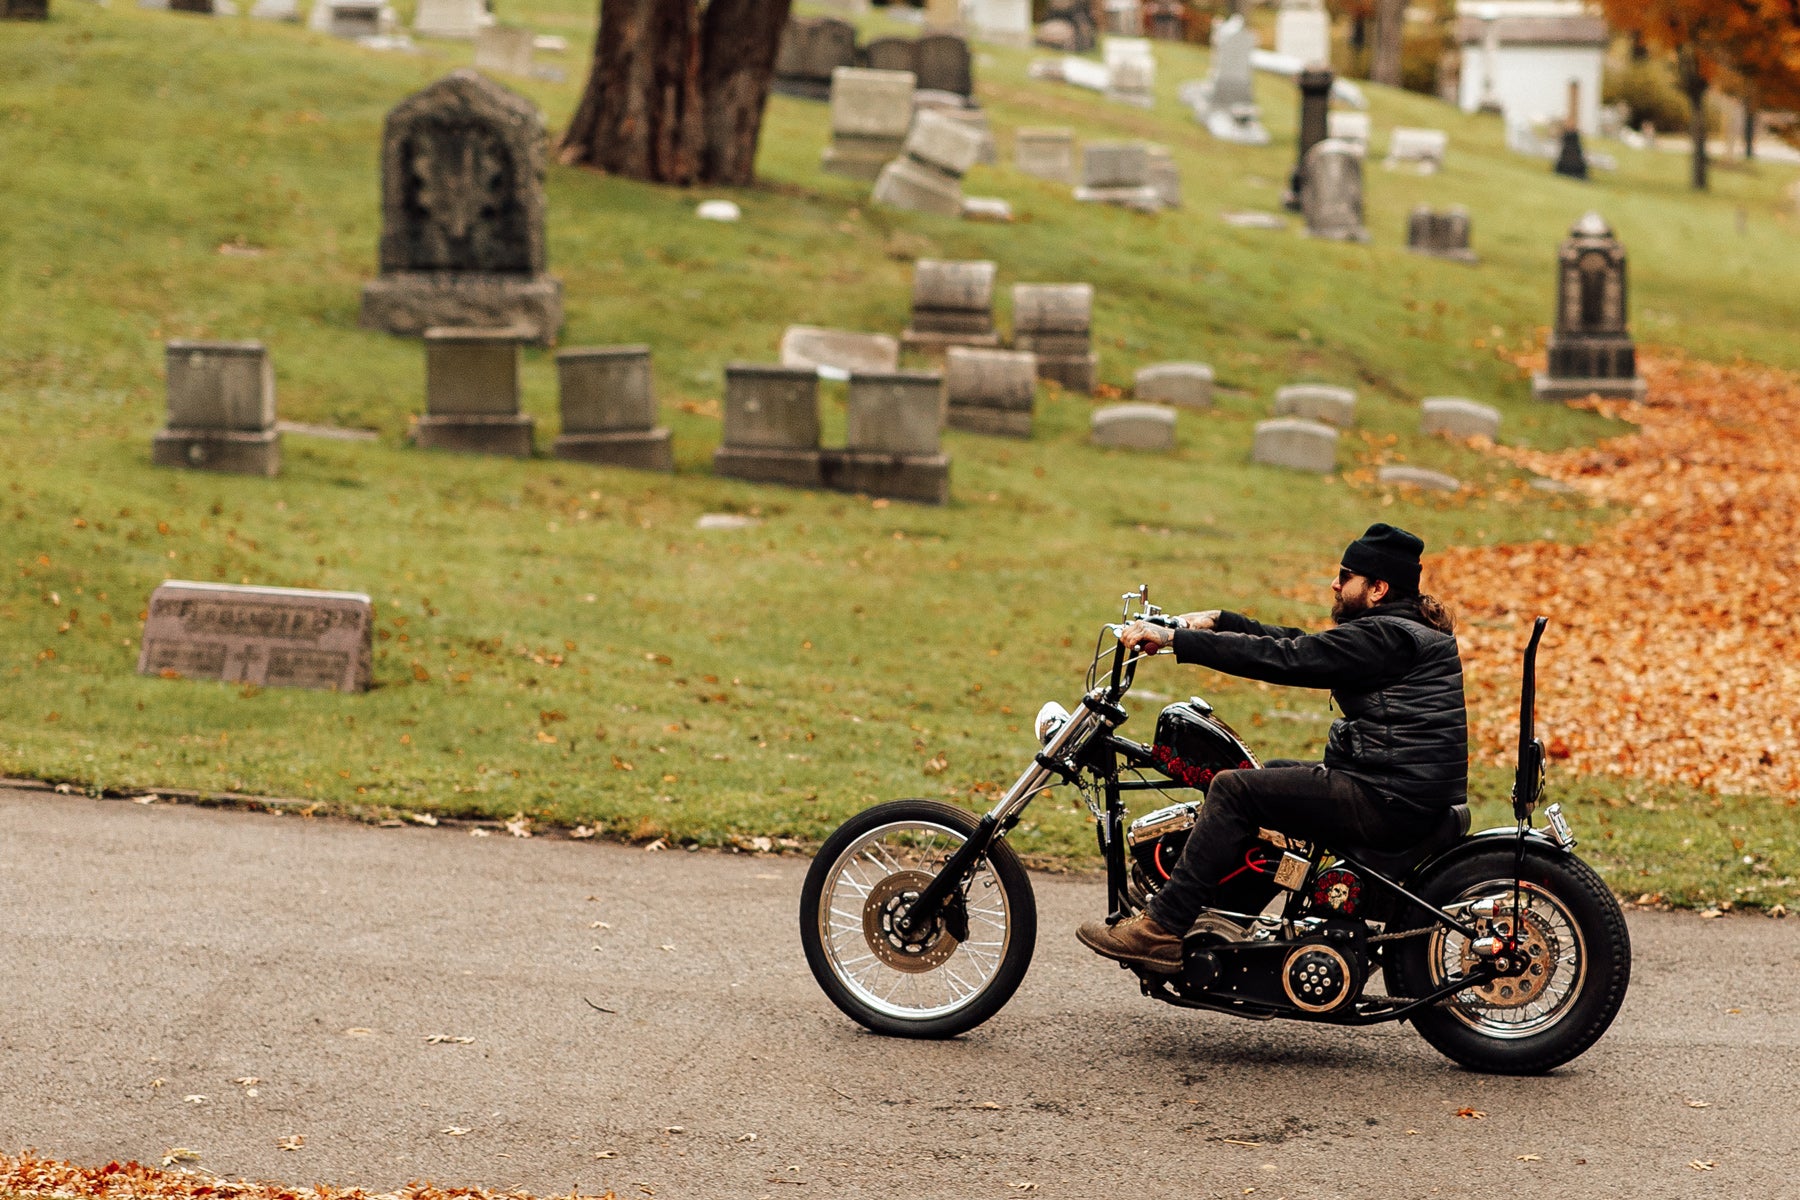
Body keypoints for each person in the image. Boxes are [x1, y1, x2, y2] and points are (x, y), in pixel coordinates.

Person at [1076, 522, 1467, 973]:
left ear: (1378, 587)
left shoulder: (1387, 638)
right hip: (1398, 790)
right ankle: (1225, 921)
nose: (1335, 584)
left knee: (1233, 789)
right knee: (1267, 777)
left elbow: (1290, 658)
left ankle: (1161, 929)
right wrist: (1217, 621)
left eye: (1347, 576)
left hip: (1388, 798)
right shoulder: (1397, 631)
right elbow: (1298, 642)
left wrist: (1178, 640)